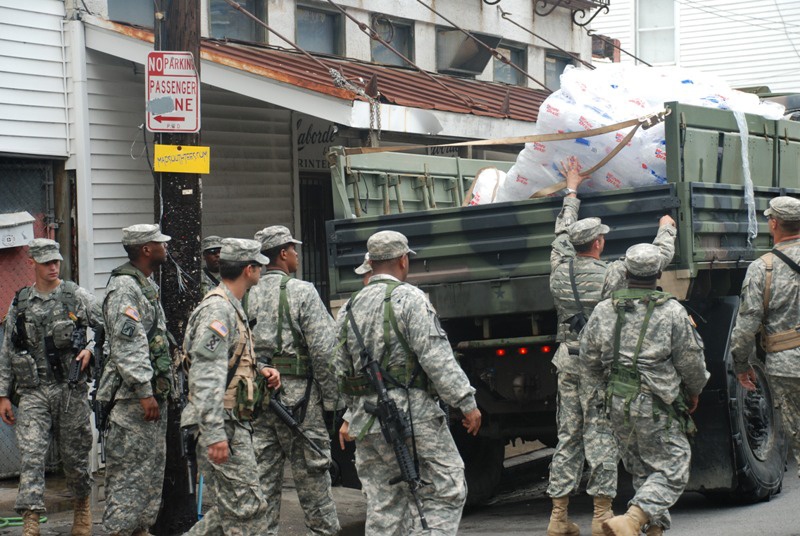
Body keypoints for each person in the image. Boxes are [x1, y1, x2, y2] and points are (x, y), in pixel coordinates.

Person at [546, 158, 678, 536]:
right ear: (600, 243)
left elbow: (561, 233)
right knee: (600, 434)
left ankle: (558, 518)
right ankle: (601, 514)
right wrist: (665, 229)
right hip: (599, 365)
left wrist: (571, 191)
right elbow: (654, 261)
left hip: (566, 361)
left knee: (567, 435)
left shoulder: (558, 267)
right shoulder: (613, 272)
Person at [337, 230, 482, 535]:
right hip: (412, 415)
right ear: (403, 260)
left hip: (367, 420)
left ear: (371, 263)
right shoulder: (411, 299)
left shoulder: (348, 309)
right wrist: (466, 402)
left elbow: (339, 369)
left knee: (383, 503)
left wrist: (350, 416)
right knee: (448, 488)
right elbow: (436, 358)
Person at [581, 243, 709, 536]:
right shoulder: (673, 311)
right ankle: (633, 519)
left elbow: (588, 358)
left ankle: (654, 530)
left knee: (643, 471)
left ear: (625, 271)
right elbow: (691, 362)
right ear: (659, 273)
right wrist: (694, 390)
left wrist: (608, 384)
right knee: (673, 467)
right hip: (656, 403)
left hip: (617, 402)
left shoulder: (603, 310)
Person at [0, 239, 102, 536]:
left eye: (56, 261)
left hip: (70, 390)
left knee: (75, 456)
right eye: (46, 262)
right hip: (34, 392)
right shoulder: (19, 302)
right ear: (32, 263)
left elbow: (106, 326)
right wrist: (4, 394)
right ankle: (31, 520)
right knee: (31, 455)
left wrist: (92, 350)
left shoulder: (76, 297)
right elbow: (8, 351)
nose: (53, 267)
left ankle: (82, 507)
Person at [182, 238, 281, 535]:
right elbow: (206, 375)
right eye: (259, 266)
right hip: (222, 424)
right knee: (248, 508)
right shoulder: (218, 311)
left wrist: (259, 369)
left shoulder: (230, 306)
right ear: (249, 269)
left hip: (232, 422)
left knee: (230, 511)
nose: (262, 272)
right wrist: (215, 435)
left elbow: (226, 361)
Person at [248, 225, 341, 535]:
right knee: (315, 485)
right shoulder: (302, 292)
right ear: (284, 254)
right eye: (294, 249)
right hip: (300, 405)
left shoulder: (246, 292)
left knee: (261, 487)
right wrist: (333, 403)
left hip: (257, 400)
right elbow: (325, 352)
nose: (298, 255)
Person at [96, 224, 173, 536]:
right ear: (145, 250)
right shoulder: (124, 288)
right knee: (129, 474)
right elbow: (128, 345)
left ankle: (141, 529)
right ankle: (120, 531)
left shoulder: (144, 284)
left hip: (149, 397)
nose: (165, 247)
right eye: (159, 243)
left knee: (150, 473)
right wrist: (144, 390)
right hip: (132, 401)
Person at [731, 196, 800, 476]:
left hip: (786, 366)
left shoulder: (762, 268)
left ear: (773, 223)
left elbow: (747, 324)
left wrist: (741, 364)